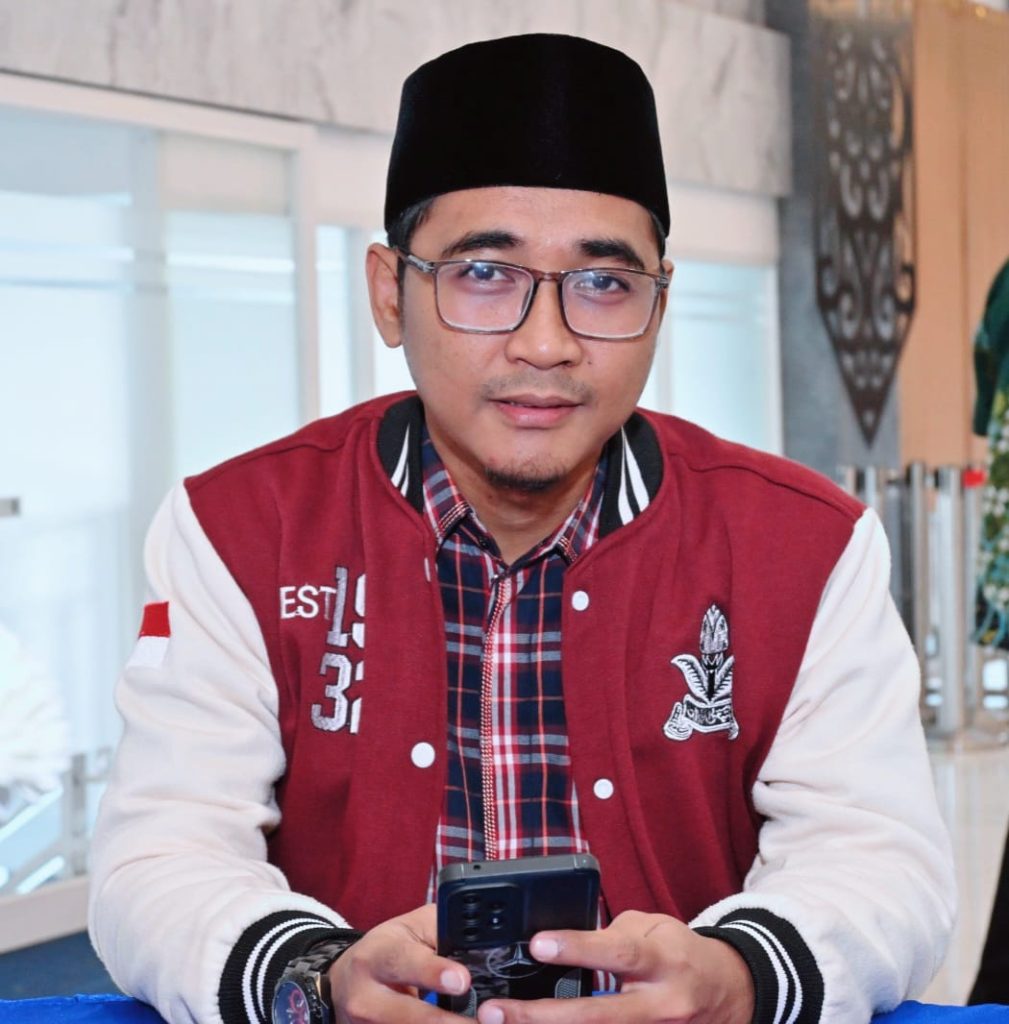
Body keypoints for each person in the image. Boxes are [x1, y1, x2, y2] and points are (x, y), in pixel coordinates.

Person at [88, 33, 955, 1024]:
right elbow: (159, 853)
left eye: (603, 284)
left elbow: (882, 861)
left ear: (659, 304)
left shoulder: (804, 547)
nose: (545, 344)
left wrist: (738, 976)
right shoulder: (240, 530)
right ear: (389, 292)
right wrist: (317, 981)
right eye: (484, 274)